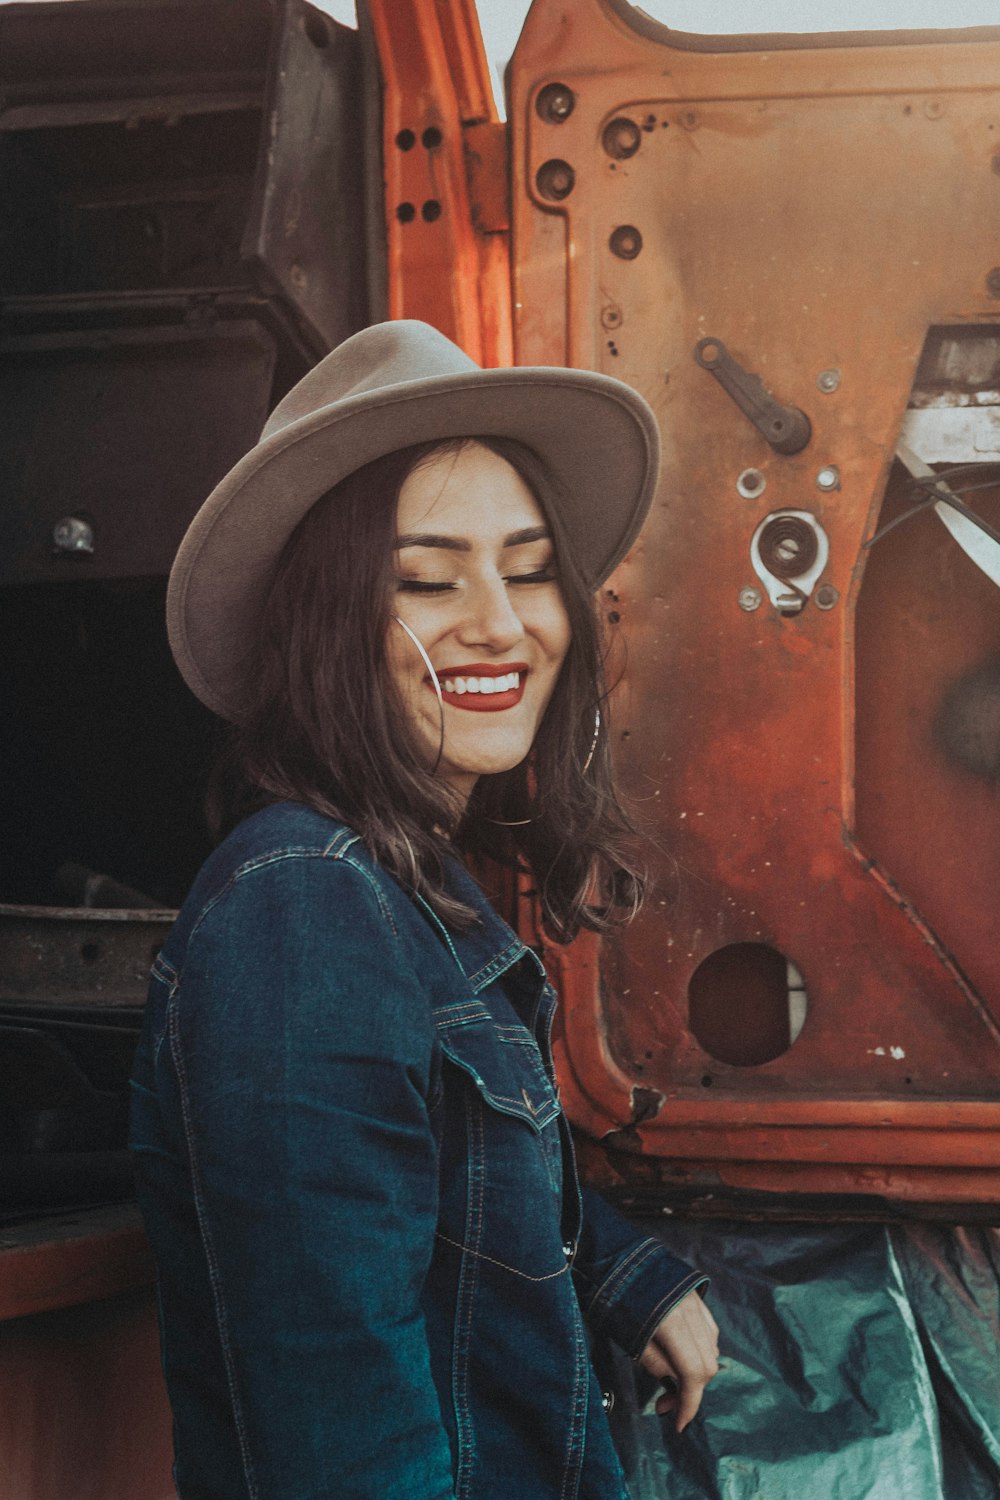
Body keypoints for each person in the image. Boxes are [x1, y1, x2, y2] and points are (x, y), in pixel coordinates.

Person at [129, 319, 719, 1500]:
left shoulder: (402, 893)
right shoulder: (302, 911)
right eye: (426, 579)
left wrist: (621, 1276)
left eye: (529, 565)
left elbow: (433, 1176)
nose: (500, 622)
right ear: (323, 625)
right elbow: (339, 1433)